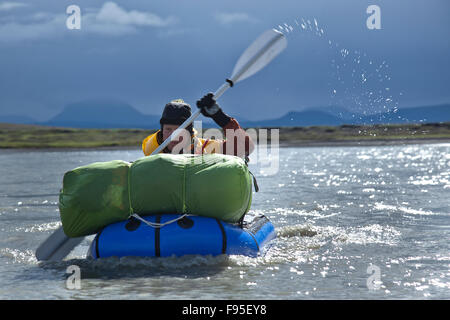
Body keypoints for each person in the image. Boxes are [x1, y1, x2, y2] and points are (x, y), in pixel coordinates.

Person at [142, 93, 255, 157]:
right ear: (162, 130)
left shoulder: (205, 148)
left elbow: (245, 148)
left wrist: (220, 117)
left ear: (189, 132)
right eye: (168, 129)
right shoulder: (152, 153)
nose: (173, 136)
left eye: (179, 130)